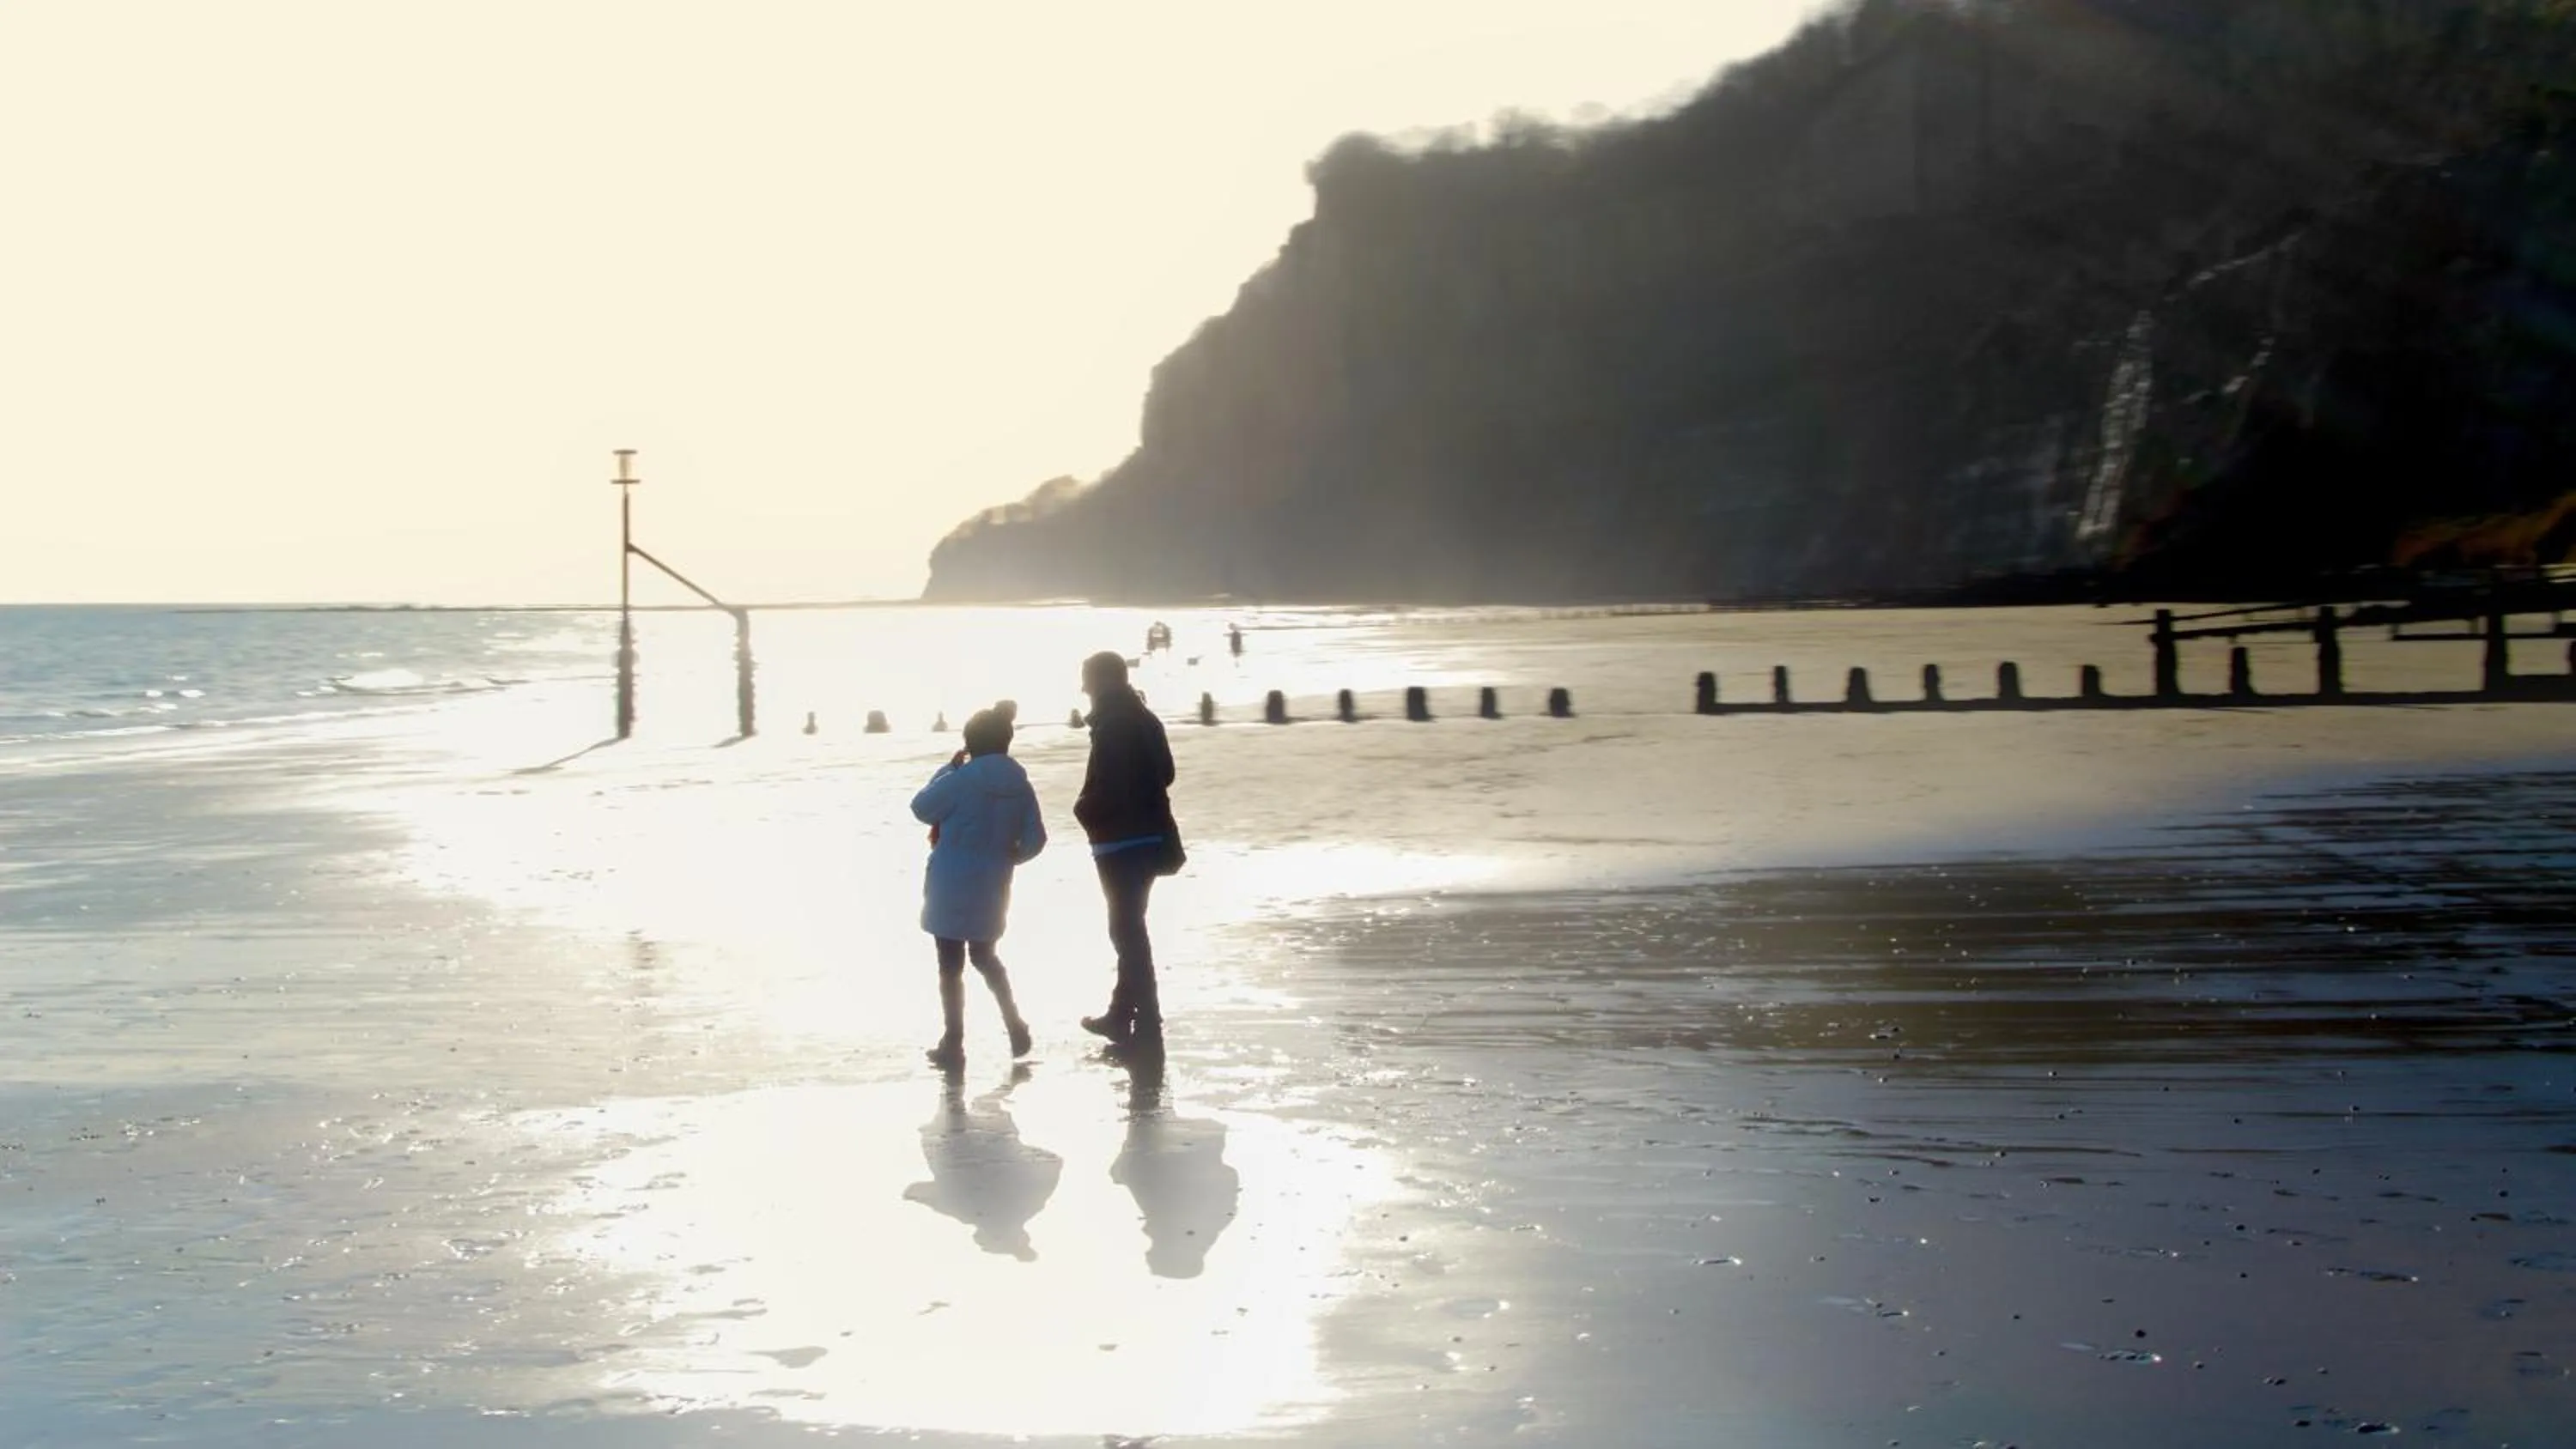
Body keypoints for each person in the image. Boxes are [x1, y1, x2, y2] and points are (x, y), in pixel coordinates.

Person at [910, 705, 1046, 1069]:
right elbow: (1036, 839)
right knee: (985, 957)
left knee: (950, 965)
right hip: (992, 883)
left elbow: (921, 808)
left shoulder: (961, 779)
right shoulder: (1021, 787)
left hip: (950, 883)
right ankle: (1014, 1023)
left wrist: (949, 768)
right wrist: (1007, 857)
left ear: (969, 744)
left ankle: (953, 1042)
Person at [1073, 651, 1178, 1050]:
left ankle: (1146, 1019)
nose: (1083, 687)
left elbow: (1113, 787)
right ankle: (1123, 1014)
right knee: (1130, 926)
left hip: (1121, 840)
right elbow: (1166, 773)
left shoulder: (1114, 723)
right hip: (1149, 835)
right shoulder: (1143, 717)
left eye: (1087, 678)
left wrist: (1084, 808)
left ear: (1101, 680)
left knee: (1126, 929)